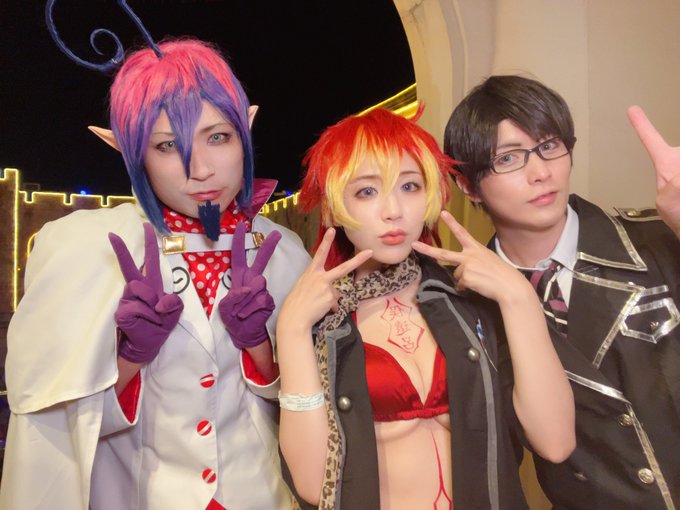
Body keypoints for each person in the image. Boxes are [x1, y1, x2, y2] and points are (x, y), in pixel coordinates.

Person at [0, 24, 310, 510]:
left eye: (218, 137)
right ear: (133, 154)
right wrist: (130, 357)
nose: (200, 169)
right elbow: (52, 431)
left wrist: (260, 349)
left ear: (244, 132)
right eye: (167, 146)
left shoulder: (285, 252)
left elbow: (311, 412)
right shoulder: (84, 251)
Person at [275, 107, 575, 510]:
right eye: (366, 192)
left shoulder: (471, 301)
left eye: (410, 186)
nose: (393, 210)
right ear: (331, 209)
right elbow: (314, 485)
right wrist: (292, 331)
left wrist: (520, 299)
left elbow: (556, 443)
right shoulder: (319, 323)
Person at [444, 74, 680, 509]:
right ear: (468, 185)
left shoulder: (657, 239)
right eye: (508, 158)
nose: (541, 173)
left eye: (549, 146)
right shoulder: (467, 309)